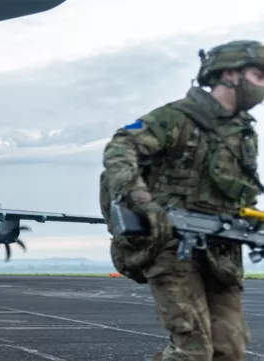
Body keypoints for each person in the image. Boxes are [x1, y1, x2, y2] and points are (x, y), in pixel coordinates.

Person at [101, 40, 264, 361]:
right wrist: (143, 201)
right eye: (259, 76)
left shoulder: (244, 134)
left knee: (229, 350)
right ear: (230, 74)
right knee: (193, 350)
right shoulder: (175, 118)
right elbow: (120, 147)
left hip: (221, 252)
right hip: (171, 245)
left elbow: (233, 192)